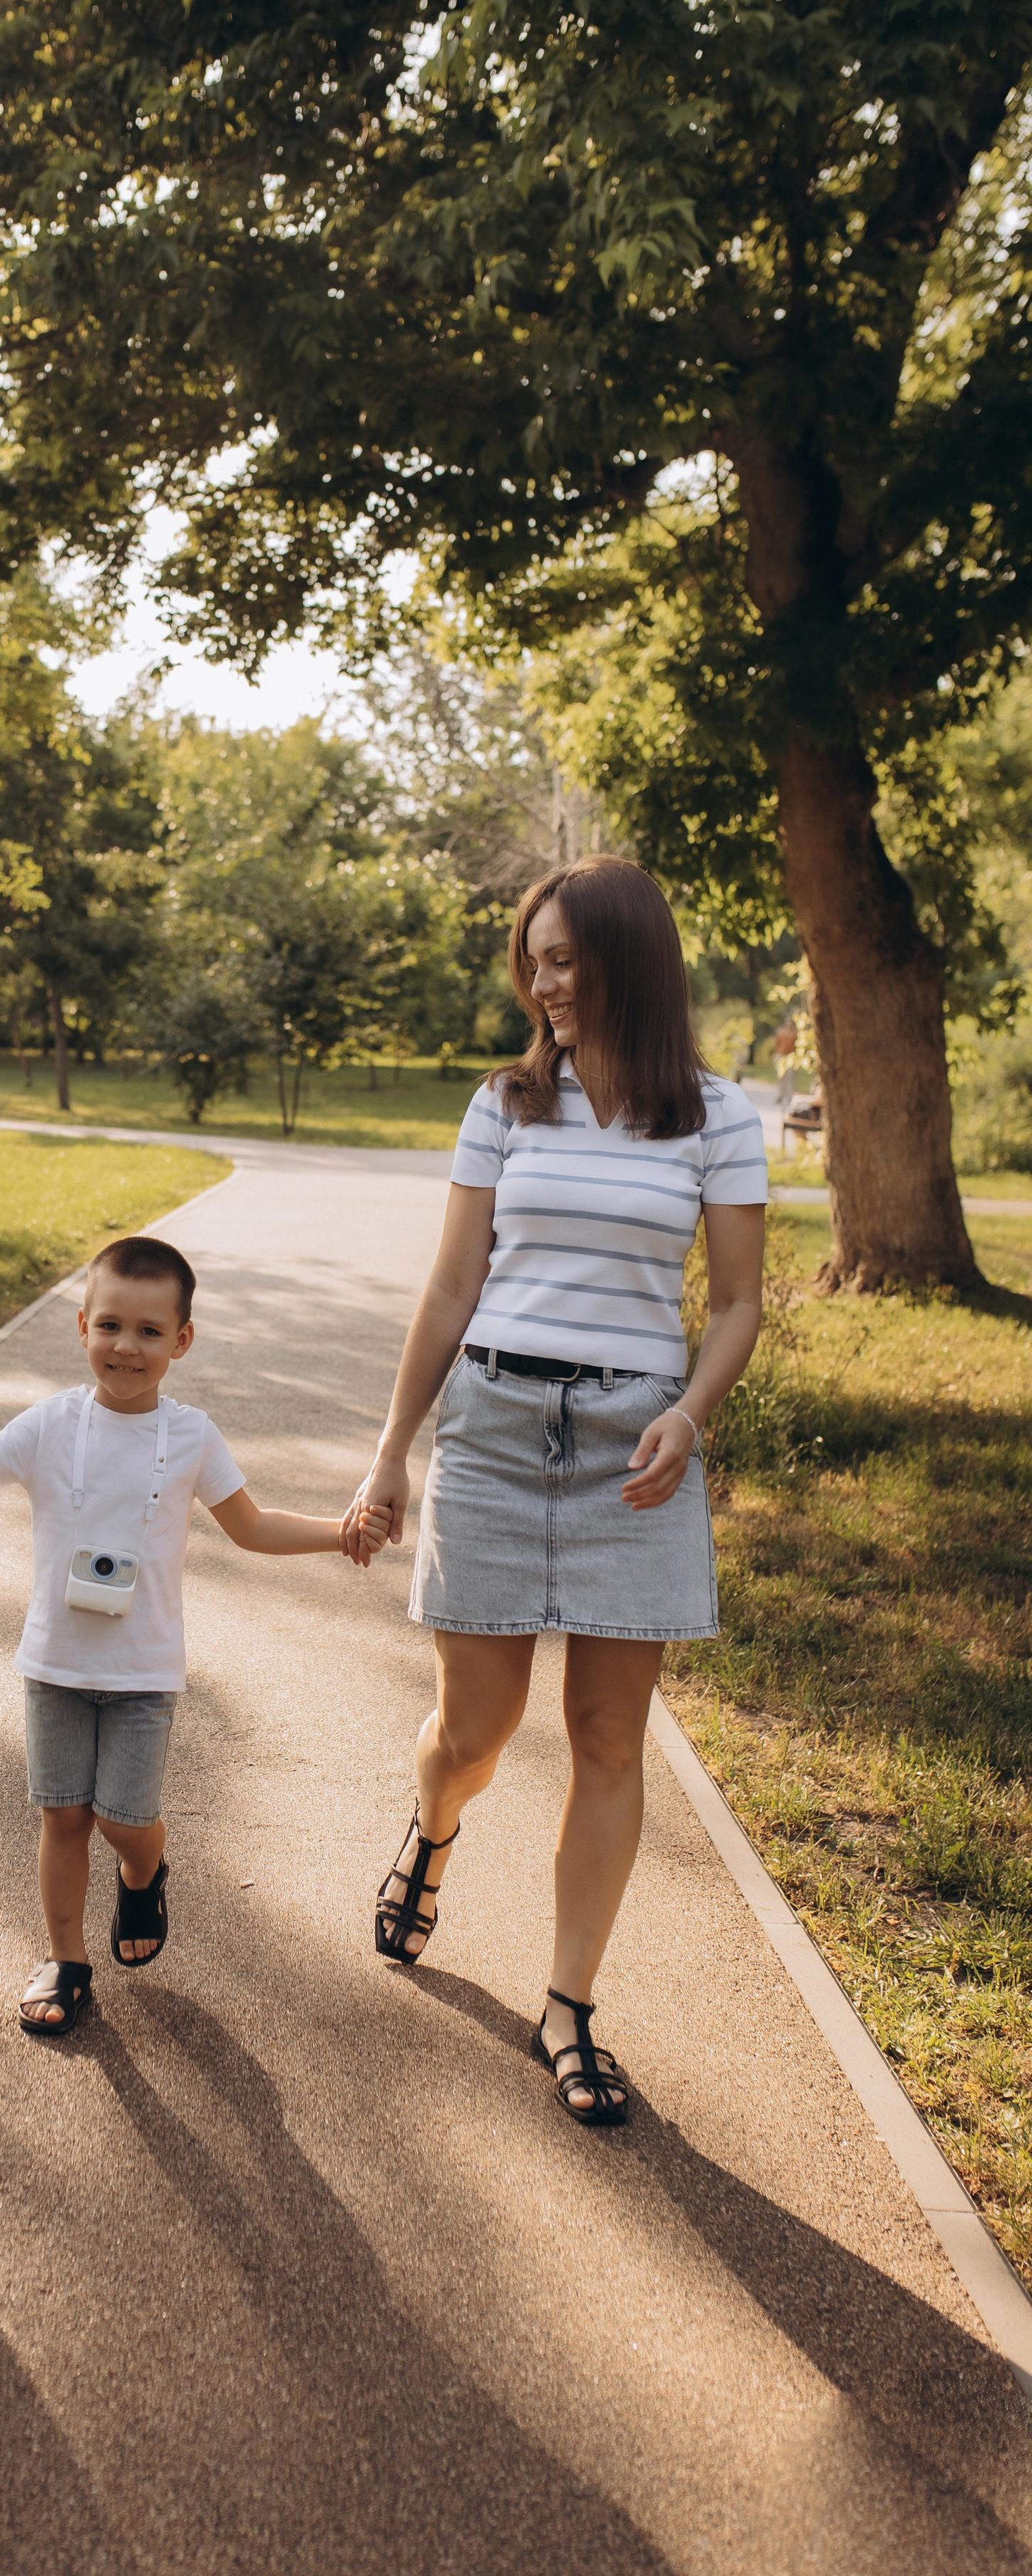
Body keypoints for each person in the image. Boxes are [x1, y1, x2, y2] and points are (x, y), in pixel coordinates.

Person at [345, 856, 765, 2127]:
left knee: (605, 1737)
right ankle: (434, 1829)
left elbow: (738, 1304)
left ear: (630, 960)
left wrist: (689, 1415)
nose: (545, 984)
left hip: (636, 1450)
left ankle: (570, 2007)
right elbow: (449, 1287)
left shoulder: (717, 1117)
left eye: (566, 960)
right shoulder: (506, 1104)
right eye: (534, 963)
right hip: (492, 1429)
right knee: (474, 1729)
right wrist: (391, 1451)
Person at [0, 1236, 387, 2035]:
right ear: (82, 1327)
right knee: (63, 1818)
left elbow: (252, 1527)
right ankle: (65, 1962)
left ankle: (143, 1871)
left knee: (122, 1821)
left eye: (149, 1332)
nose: (126, 1347)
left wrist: (338, 1534)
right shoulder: (50, 1424)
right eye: (110, 1326)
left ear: (181, 1341)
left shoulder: (192, 1436)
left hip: (143, 1675)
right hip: (55, 1665)